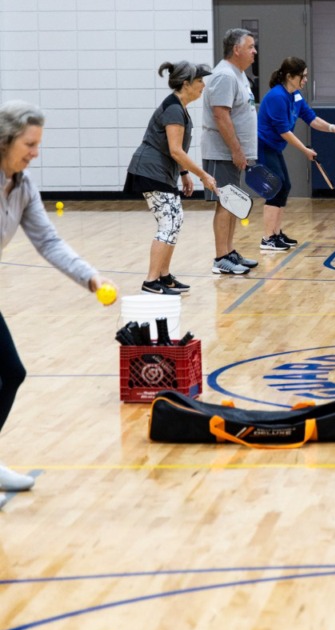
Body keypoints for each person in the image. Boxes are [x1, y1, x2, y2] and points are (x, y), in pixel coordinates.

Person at [0, 101, 116, 491]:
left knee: (11, 373)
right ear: (5, 141)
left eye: (38, 145)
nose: (35, 153)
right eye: (29, 144)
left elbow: (48, 241)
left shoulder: (23, 186)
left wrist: (91, 277)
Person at [125, 62, 218, 294]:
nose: (203, 85)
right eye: (199, 81)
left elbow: (174, 149)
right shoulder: (174, 108)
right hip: (150, 171)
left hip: (162, 172)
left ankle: (164, 276)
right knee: (169, 223)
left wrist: (185, 174)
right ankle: (151, 281)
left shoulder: (180, 107)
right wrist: (203, 175)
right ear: (186, 84)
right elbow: (176, 150)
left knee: (173, 221)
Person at [256, 57, 335, 250]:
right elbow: (284, 131)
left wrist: (333, 128)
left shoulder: (295, 96)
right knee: (275, 186)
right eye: (303, 76)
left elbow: (312, 119)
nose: (305, 79)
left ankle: (276, 233)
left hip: (275, 147)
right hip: (264, 146)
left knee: (285, 185)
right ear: (290, 77)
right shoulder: (277, 97)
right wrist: (305, 150)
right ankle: (267, 238)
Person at [202, 28, 260, 275]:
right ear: (236, 50)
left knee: (233, 202)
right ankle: (220, 258)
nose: (255, 51)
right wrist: (236, 150)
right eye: (250, 47)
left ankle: (229, 251)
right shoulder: (225, 76)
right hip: (222, 153)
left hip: (235, 153)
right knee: (224, 203)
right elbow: (221, 115)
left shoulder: (239, 74)